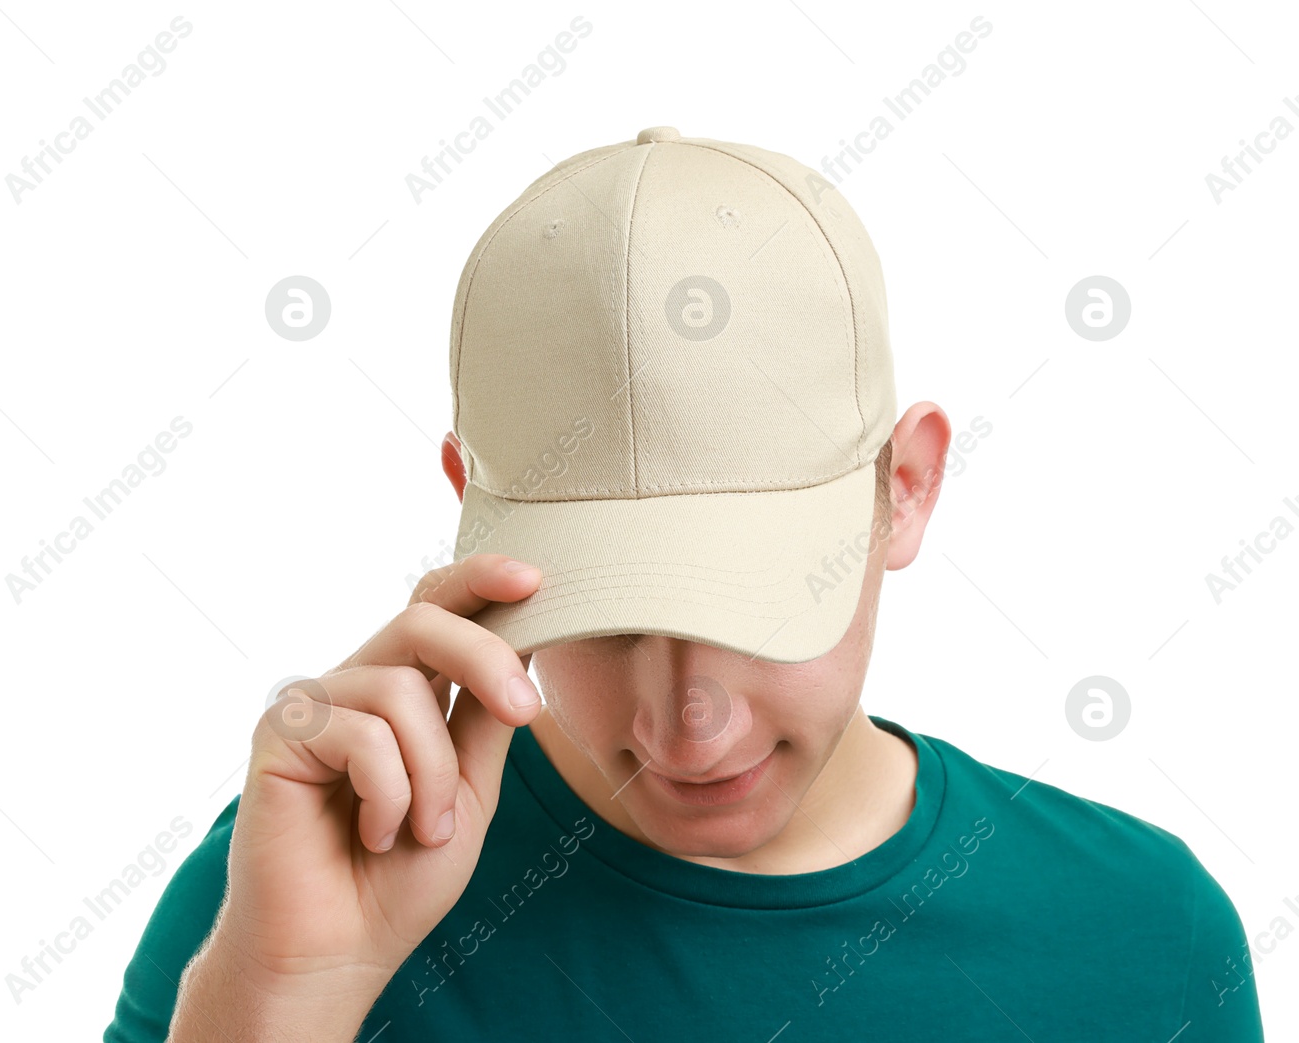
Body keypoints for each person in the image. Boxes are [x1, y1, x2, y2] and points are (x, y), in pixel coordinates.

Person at [102, 126, 1264, 1041]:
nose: (689, 724)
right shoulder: (290, 885)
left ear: (904, 488)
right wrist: (285, 997)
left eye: (753, 602)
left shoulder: (1138, 937)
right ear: (469, 513)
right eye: (602, 612)